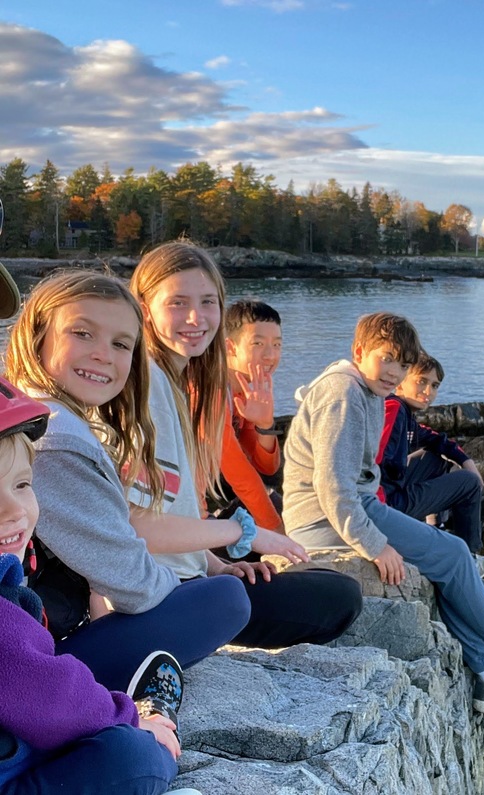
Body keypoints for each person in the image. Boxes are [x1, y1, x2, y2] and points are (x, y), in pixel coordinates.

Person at [283, 311, 484, 714]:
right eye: (386, 357)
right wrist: (375, 546)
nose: (394, 371)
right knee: (454, 555)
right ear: (359, 351)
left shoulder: (365, 391)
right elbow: (333, 487)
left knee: (446, 569)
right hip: (326, 520)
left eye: (403, 364)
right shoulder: (343, 394)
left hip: (348, 508)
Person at [4, 270, 252, 693]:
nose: (103, 354)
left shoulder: (38, 416)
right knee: (225, 601)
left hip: (36, 631)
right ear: (37, 337)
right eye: (83, 333)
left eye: (121, 344)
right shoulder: (56, 439)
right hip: (27, 667)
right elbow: (133, 584)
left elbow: (101, 565)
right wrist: (188, 589)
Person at [129, 241, 362, 649]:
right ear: (145, 308)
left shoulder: (185, 381)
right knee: (339, 597)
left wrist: (216, 564)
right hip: (163, 588)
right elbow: (143, 521)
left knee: (327, 586)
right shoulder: (154, 388)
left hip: (192, 559)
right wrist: (256, 533)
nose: (195, 317)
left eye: (207, 302)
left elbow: (262, 469)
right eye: (178, 302)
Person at [0, 282, 183, 794]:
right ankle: (159, 724)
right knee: (131, 756)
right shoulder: (57, 438)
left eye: (21, 486)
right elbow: (42, 690)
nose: (14, 508)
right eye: (83, 333)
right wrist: (129, 718)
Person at [378, 353, 484, 552]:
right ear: (400, 381)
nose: (428, 391)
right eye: (421, 381)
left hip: (388, 496)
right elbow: (376, 461)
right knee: (468, 483)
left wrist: (466, 461)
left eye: (434, 385)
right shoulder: (392, 410)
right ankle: (470, 556)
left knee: (434, 458)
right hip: (385, 506)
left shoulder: (403, 413)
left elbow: (437, 439)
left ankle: (435, 526)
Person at [211, 300, 285, 532]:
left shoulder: (245, 391)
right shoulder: (210, 390)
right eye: (258, 343)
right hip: (188, 504)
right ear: (230, 347)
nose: (270, 355)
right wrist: (278, 532)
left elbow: (266, 468)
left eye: (277, 345)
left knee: (277, 501)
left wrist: (265, 424)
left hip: (219, 491)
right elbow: (238, 473)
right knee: (272, 508)